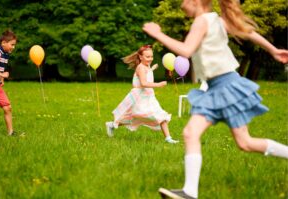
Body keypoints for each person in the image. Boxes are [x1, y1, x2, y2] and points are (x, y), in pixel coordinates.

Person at [143, 0, 288, 198]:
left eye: (185, 0)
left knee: (225, 139)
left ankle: (189, 192)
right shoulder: (215, 20)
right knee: (233, 140)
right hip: (216, 88)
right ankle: (189, 192)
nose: (182, 4)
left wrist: (158, 33)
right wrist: (273, 50)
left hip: (227, 86)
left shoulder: (202, 21)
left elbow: (186, 50)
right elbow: (246, 32)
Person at [105, 45, 179, 144]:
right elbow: (144, 83)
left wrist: (152, 68)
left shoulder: (146, 66)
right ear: (140, 57)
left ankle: (168, 138)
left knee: (161, 115)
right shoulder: (140, 67)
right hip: (140, 98)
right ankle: (112, 124)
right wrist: (159, 84)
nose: (150, 59)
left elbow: (147, 73)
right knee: (135, 118)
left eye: (151, 56)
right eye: (147, 57)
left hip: (149, 97)